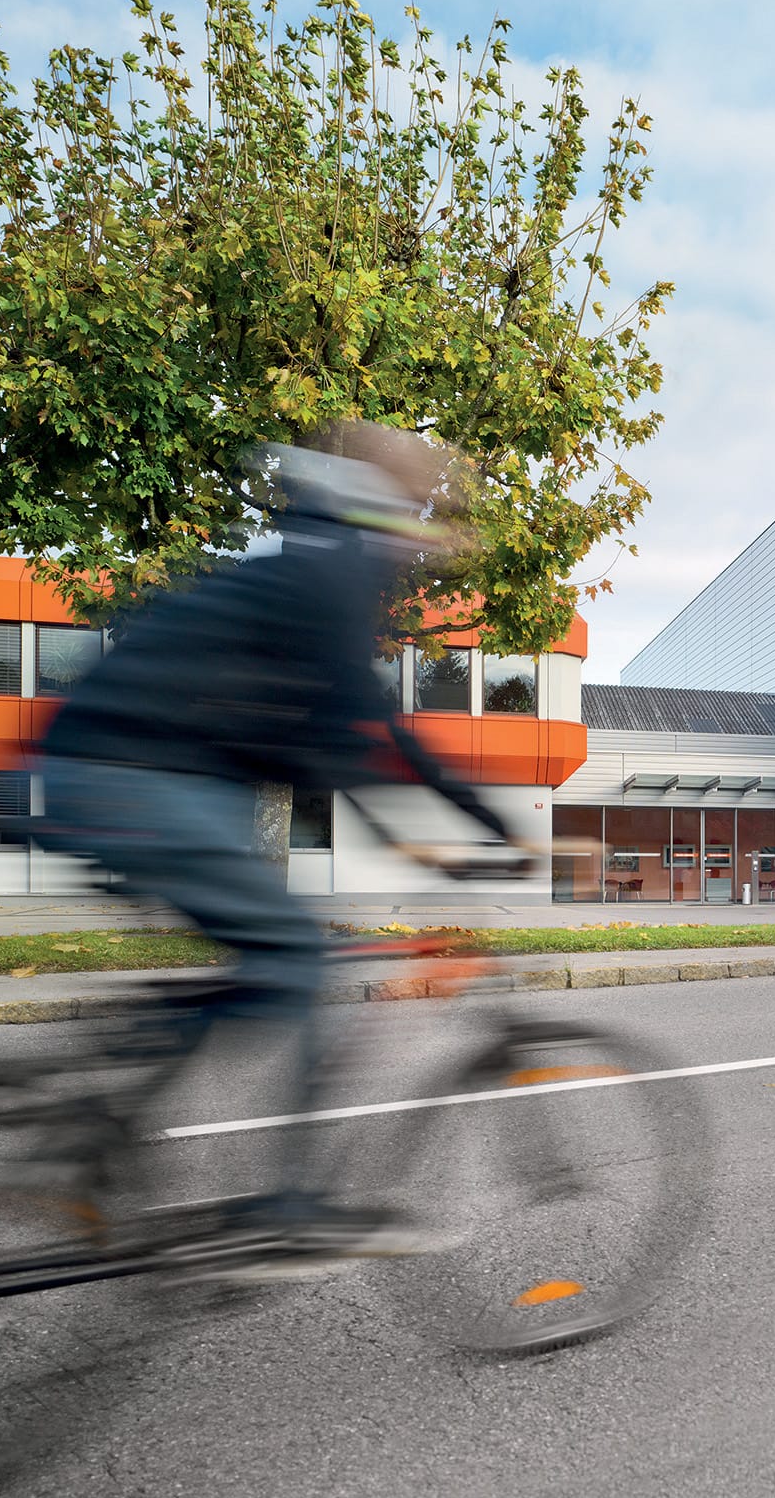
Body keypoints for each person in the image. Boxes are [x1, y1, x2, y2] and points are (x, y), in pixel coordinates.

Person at [38, 422, 529, 1255]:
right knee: (296, 951)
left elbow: (345, 733)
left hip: (131, 769)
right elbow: (367, 730)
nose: (427, 533)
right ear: (383, 503)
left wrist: (433, 830)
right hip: (133, 775)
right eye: (420, 509)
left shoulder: (314, 567)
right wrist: (488, 828)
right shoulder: (335, 574)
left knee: (268, 960)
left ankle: (110, 1101)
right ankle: (286, 1205)